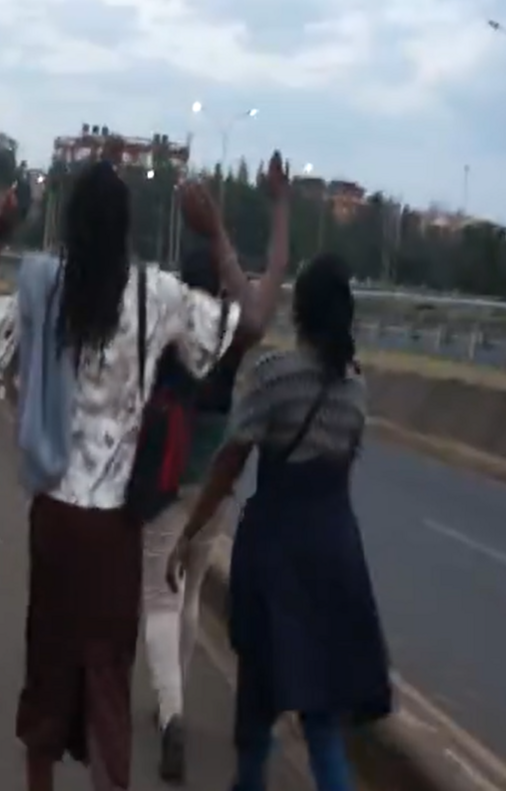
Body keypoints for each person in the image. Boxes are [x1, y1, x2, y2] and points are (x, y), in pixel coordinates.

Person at [0, 162, 287, 791]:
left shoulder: (41, 287)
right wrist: (217, 234)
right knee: (108, 675)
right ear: (127, 229)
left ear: (71, 226)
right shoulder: (154, 294)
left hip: (54, 516)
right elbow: (249, 324)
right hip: (116, 526)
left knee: (48, 668)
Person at [166, 252, 392, 791]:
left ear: (301, 312)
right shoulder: (356, 390)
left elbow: (228, 463)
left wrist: (191, 530)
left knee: (258, 698)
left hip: (277, 556)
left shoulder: (274, 376)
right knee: (322, 718)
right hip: (338, 555)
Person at [140, 153, 290, 785]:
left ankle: (171, 714)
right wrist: (277, 209)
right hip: (214, 487)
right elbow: (268, 287)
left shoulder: (169, 325)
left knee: (156, 595)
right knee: (192, 590)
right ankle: (174, 703)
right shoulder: (237, 331)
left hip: (167, 480)